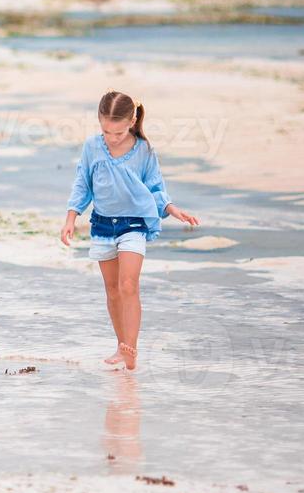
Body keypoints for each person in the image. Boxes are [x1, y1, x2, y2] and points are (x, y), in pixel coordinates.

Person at [60, 91, 200, 371]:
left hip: (133, 225)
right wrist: (71, 218)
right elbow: (82, 184)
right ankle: (121, 346)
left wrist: (172, 209)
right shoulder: (92, 147)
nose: (112, 137)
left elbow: (156, 187)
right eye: (106, 131)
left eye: (119, 132)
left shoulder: (144, 151)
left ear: (132, 121)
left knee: (128, 285)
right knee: (112, 291)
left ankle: (131, 348)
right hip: (102, 226)